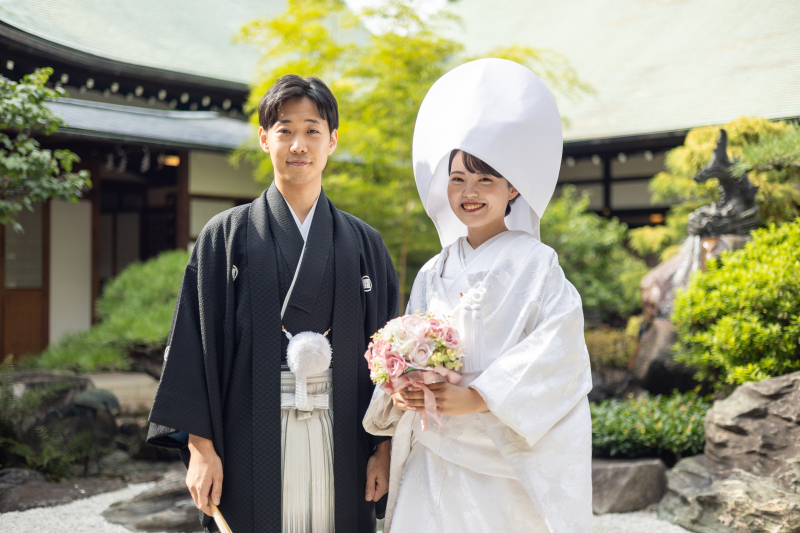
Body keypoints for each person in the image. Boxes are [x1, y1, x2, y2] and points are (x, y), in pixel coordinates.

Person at [147, 75, 398, 533]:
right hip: (249, 432)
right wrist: (201, 449)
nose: (298, 144)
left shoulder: (365, 244)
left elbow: (389, 361)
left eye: (312, 130)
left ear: (332, 141)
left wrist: (384, 447)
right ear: (265, 139)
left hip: (345, 434)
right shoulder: (225, 237)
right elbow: (193, 348)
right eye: (285, 130)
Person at [363, 59, 593, 532]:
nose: (469, 192)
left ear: (512, 188)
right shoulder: (434, 269)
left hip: (501, 448)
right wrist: (404, 386)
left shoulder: (536, 262)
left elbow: (558, 348)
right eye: (457, 179)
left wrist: (479, 397)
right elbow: (406, 343)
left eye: (485, 179)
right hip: (436, 443)